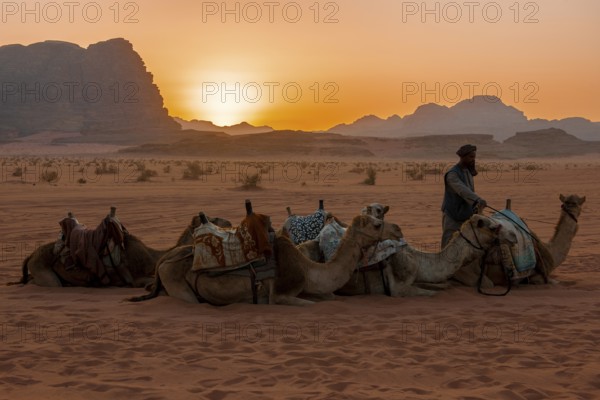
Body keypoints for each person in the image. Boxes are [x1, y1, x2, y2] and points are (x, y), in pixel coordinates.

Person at [441, 144, 487, 247]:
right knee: (449, 245)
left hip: (466, 215)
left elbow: (470, 191)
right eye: (471, 157)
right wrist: (477, 200)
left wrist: (476, 206)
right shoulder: (452, 174)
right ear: (463, 157)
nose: (473, 159)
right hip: (452, 216)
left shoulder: (467, 172)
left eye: (474, 157)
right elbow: (463, 190)